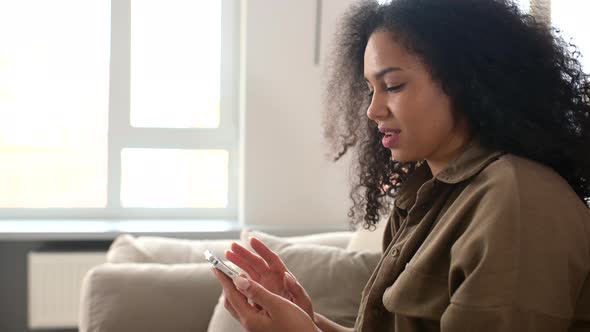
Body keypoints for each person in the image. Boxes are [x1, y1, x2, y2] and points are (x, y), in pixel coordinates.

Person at [212, 0, 590, 330]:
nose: (373, 110)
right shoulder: (423, 199)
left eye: (392, 86)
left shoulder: (517, 202)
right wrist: (307, 320)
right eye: (370, 89)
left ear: (466, 82)